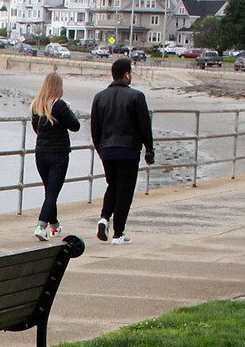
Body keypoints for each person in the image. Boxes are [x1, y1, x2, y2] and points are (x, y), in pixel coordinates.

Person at [89, 57, 155, 244]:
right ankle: (118, 233)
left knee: (113, 185)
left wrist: (101, 149)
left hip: (107, 150)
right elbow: (144, 127)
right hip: (128, 150)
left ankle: (104, 218)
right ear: (126, 74)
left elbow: (95, 128)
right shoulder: (136, 96)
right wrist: (149, 150)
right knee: (125, 190)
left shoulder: (99, 97)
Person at [28, 71, 81, 239]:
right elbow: (75, 126)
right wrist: (69, 111)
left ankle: (55, 225)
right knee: (52, 192)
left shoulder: (36, 105)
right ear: (59, 87)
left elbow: (37, 130)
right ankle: (40, 226)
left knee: (49, 191)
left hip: (41, 154)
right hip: (58, 154)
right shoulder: (59, 105)